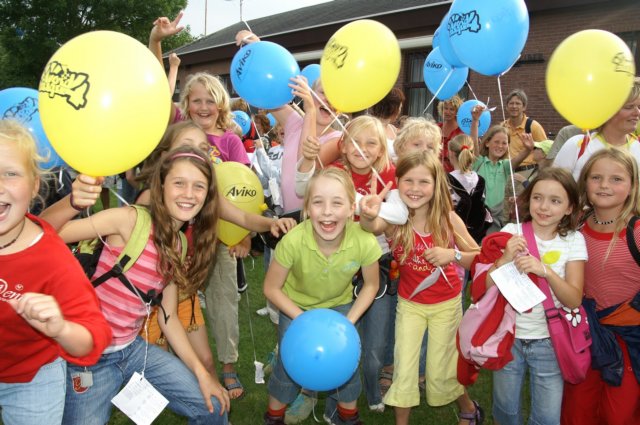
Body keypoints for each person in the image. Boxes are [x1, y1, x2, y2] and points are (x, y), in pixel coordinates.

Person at [56, 146, 230, 424]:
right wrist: (73, 203)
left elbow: (168, 316)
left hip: (135, 350)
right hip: (88, 359)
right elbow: (50, 232)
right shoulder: (128, 220)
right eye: (179, 183)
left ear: (207, 196)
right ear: (160, 187)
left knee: (213, 406)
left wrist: (202, 374)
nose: (188, 194)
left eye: (199, 186)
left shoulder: (180, 244)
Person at [0, 120, 111, 425]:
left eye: (10, 173)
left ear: (35, 185)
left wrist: (61, 328)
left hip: (32, 376)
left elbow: (93, 337)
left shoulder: (51, 257)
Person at [359, 151, 482, 425]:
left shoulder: (449, 220)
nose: (415, 189)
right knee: (404, 366)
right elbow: (372, 226)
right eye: (408, 181)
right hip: (410, 306)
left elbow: (479, 256)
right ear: (398, 182)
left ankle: (469, 408)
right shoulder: (395, 221)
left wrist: (454, 255)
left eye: (423, 182)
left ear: (437, 184)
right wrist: (368, 213)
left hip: (447, 306)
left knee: (441, 369)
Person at [263, 167, 382, 425]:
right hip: (296, 308)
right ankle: (274, 417)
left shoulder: (364, 240)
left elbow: (371, 285)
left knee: (346, 363)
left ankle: (348, 417)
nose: (327, 211)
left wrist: (348, 322)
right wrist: (303, 320)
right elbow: (271, 288)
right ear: (307, 209)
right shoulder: (293, 241)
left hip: (340, 308)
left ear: (352, 209)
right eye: (318, 202)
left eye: (337, 203)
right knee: (288, 364)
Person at [483, 167, 587, 425]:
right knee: (506, 411)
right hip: (510, 338)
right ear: (528, 200)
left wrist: (546, 271)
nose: (544, 207)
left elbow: (573, 299)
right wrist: (505, 257)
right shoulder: (510, 231)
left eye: (555, 201)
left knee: (547, 418)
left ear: (569, 208)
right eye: (538, 197)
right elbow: (485, 287)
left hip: (550, 341)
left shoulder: (574, 240)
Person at [562, 149, 640, 425]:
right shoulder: (574, 226)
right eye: (596, 177)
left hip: (627, 339)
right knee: (577, 411)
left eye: (616, 179)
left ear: (632, 187)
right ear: (585, 183)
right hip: (583, 334)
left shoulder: (637, 231)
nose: (605, 185)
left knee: (618, 414)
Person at [553, 78, 640, 180]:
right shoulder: (577, 145)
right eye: (629, 107)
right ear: (607, 110)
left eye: (639, 107)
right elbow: (554, 188)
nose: (637, 112)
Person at [472, 125, 533, 233]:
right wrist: (475, 121)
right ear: (487, 143)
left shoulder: (505, 166)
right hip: (480, 215)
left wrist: (527, 150)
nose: (500, 146)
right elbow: (474, 143)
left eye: (504, 143)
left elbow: (518, 159)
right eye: (496, 142)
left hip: (500, 218)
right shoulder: (479, 162)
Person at [447, 134, 489, 243]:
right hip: (475, 236)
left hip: (453, 235)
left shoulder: (445, 180)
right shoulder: (480, 180)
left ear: (451, 153)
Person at [501, 89, 547, 177]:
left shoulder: (533, 126)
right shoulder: (502, 126)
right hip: (505, 173)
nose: (514, 106)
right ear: (506, 107)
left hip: (527, 172)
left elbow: (546, 150)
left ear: (524, 107)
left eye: (518, 103)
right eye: (511, 103)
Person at [370, 87, 405, 163]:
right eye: (400, 107)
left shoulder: (393, 128)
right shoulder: (370, 128)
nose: (399, 111)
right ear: (393, 108)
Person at [437, 95, 465, 172]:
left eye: (452, 109)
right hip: (435, 171)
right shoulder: (436, 128)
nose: (447, 112)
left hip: (453, 173)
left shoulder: (461, 131)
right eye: (445, 108)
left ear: (457, 112)